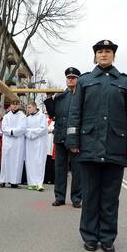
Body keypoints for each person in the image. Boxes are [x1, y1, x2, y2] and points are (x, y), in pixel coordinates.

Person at [67, 40, 127, 252]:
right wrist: (73, 140)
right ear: (95, 56)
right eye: (100, 51)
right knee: (90, 195)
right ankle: (90, 237)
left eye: (107, 51)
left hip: (116, 145)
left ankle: (107, 238)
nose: (104, 55)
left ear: (113, 56)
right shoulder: (84, 81)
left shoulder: (126, 82)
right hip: (88, 145)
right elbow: (75, 112)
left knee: (110, 197)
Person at [44, 67, 82, 208]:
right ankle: (59, 197)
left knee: (77, 170)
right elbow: (52, 113)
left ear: (78, 79)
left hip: (76, 139)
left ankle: (76, 198)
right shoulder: (60, 97)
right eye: (68, 78)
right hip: (60, 136)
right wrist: (49, 98)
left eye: (73, 77)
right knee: (60, 169)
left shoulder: (82, 96)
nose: (70, 80)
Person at [0, 100, 27, 188]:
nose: (14, 106)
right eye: (13, 105)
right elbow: (3, 127)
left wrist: (12, 131)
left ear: (19, 106)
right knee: (5, 160)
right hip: (7, 141)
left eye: (16, 105)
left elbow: (23, 128)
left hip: (18, 142)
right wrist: (11, 132)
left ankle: (14, 182)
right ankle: (3, 181)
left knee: (16, 161)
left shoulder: (23, 116)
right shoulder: (6, 116)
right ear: (10, 105)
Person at [24, 102, 48, 191]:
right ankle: (31, 183)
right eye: (27, 108)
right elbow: (24, 129)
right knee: (30, 162)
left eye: (29, 107)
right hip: (29, 143)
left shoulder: (42, 116)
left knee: (39, 163)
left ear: (35, 107)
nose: (28, 109)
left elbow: (43, 129)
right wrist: (29, 133)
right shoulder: (27, 118)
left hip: (39, 143)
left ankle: (39, 183)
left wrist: (31, 133)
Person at [44, 115, 55, 184]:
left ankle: (52, 179)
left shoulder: (55, 121)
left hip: (53, 144)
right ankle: (46, 178)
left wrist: (51, 130)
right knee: (47, 162)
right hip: (46, 144)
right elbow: (45, 129)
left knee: (52, 162)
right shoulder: (47, 121)